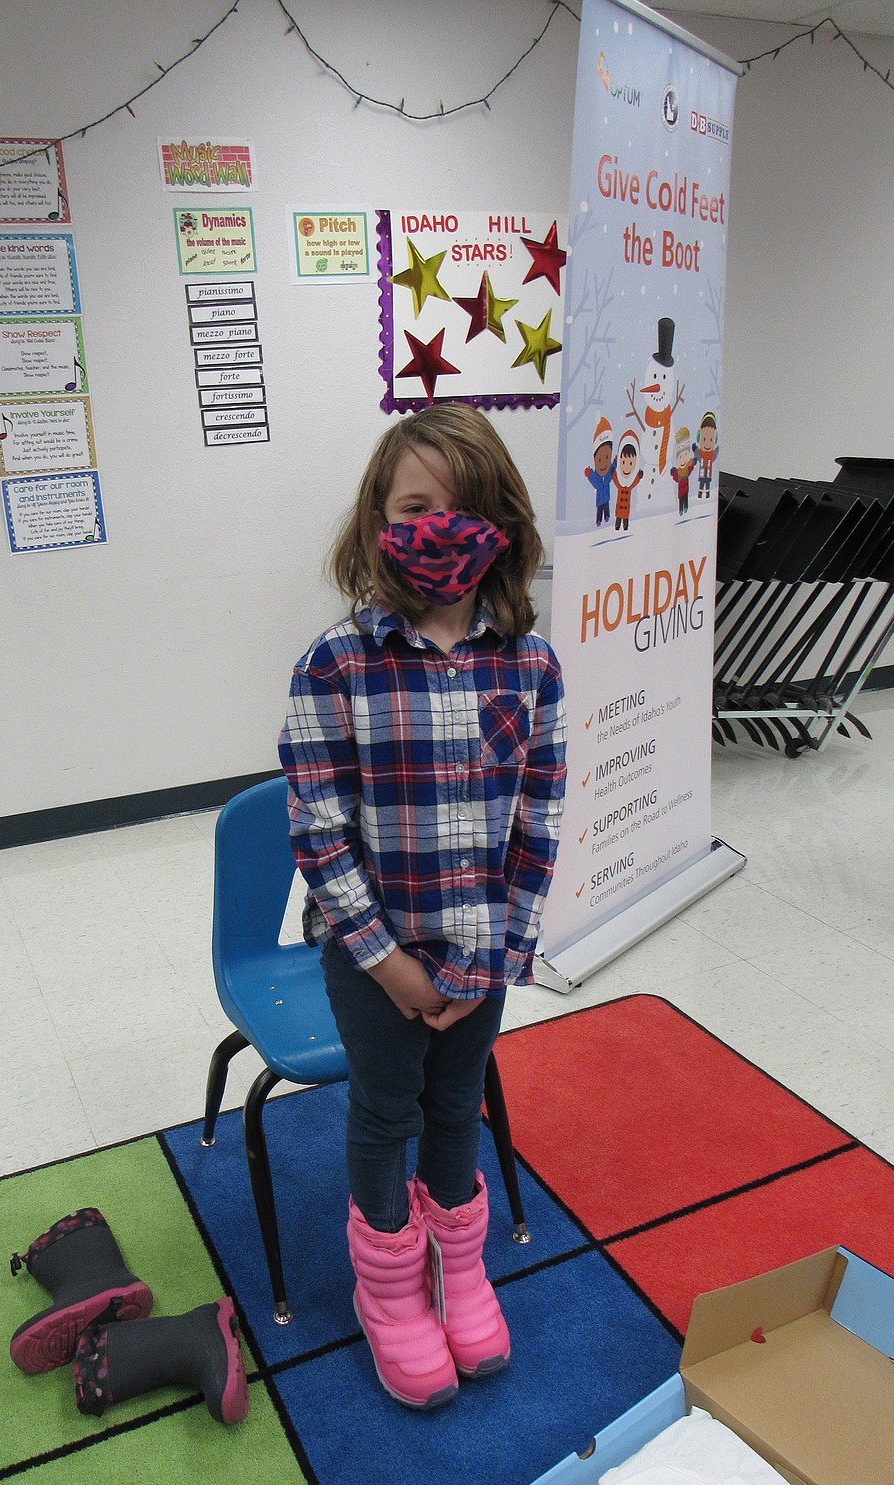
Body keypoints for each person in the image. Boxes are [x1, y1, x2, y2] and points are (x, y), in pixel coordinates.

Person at [279, 403, 567, 1410]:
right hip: (374, 961)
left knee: (457, 1109)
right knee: (385, 1110)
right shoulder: (336, 664)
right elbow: (319, 830)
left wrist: (501, 955)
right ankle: (389, 1293)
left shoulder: (529, 664)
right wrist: (388, 961)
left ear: (503, 523)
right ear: (376, 523)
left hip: (480, 953)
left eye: (464, 508)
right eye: (414, 507)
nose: (438, 529)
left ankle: (462, 1267)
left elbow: (541, 816)